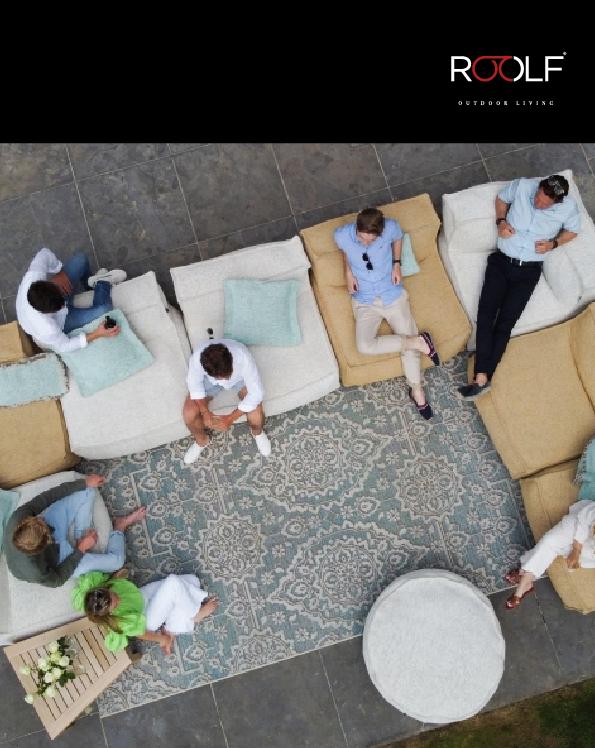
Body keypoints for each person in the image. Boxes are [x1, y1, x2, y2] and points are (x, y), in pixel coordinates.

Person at [458, 175, 581, 400]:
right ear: (539, 187)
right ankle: (482, 378)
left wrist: (553, 243)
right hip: (501, 262)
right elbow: (501, 199)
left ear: (557, 202)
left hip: (528, 272)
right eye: (538, 198)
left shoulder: (568, 208)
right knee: (485, 317)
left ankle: (481, 378)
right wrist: (501, 222)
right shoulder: (523, 186)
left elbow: (573, 230)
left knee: (505, 324)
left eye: (545, 204)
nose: (538, 203)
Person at [334, 208, 440, 420]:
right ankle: (418, 341)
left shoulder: (391, 227)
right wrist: (348, 271)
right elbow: (345, 248)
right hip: (365, 300)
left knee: (407, 331)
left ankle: (416, 390)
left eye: (371, 240)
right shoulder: (341, 235)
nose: (365, 243)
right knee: (364, 346)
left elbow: (398, 238)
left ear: (380, 233)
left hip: (391, 294)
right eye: (361, 238)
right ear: (356, 228)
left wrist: (397, 264)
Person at [3, 474, 146, 587]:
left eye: (39, 520)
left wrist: (84, 483)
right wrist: (80, 550)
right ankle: (119, 527)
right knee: (117, 562)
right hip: (59, 557)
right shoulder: (36, 571)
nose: (43, 520)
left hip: (48, 532)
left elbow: (47, 498)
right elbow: (58, 579)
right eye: (46, 528)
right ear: (46, 543)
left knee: (88, 490)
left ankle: (81, 534)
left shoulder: (18, 517)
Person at [72, 571, 219, 655]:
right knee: (174, 583)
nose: (118, 598)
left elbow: (113, 581)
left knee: (193, 581)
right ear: (109, 613)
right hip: (145, 617)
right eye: (115, 604)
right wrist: (162, 640)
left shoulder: (100, 587)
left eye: (113, 594)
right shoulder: (120, 622)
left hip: (141, 596)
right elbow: (141, 634)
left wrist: (117, 577)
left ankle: (172, 628)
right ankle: (195, 614)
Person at [16, 247, 127, 354]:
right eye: (60, 307)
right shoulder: (47, 328)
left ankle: (90, 283)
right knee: (104, 309)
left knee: (81, 259)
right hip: (63, 321)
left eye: (60, 292)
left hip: (50, 294)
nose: (64, 305)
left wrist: (60, 273)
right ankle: (102, 282)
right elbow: (64, 346)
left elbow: (44, 253)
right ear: (47, 312)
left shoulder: (34, 275)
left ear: (49, 284)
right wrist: (97, 334)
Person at [182, 339, 271, 464]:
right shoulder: (197, 358)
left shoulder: (243, 357)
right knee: (188, 413)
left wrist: (230, 418)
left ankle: (258, 432)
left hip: (239, 380)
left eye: (227, 375)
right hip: (209, 381)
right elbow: (194, 385)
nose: (224, 380)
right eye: (221, 377)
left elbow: (256, 393)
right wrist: (205, 412)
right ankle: (202, 441)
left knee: (256, 414)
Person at [504, 500, 595, 609]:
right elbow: (586, 516)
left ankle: (524, 580)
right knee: (550, 541)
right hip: (583, 523)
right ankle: (523, 585)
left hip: (591, 549)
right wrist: (576, 549)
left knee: (558, 549)